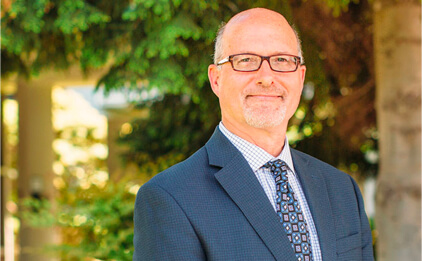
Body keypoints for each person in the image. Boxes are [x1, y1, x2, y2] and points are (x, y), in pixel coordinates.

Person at [133, 7, 374, 261]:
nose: (267, 78)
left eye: (282, 60)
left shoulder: (342, 190)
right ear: (216, 79)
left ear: (300, 77)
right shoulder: (170, 198)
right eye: (246, 60)